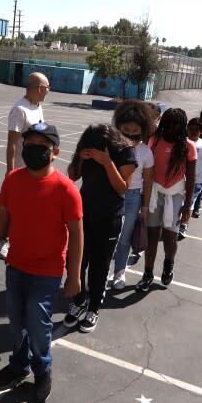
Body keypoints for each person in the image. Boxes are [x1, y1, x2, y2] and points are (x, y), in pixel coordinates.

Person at [0, 123, 83, 402]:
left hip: (47, 272)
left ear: (55, 152)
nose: (33, 150)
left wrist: (74, 276)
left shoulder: (66, 189)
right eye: (29, 145)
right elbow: (0, 219)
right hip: (16, 267)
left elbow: (76, 234)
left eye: (41, 146)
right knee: (16, 322)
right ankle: (19, 365)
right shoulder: (13, 180)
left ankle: (42, 372)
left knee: (38, 324)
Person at [64, 124, 137, 332]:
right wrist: (80, 157)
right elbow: (73, 176)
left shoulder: (125, 151)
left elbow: (122, 187)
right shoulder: (86, 148)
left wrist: (107, 163)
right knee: (76, 262)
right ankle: (78, 303)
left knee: (100, 266)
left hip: (109, 218)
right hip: (83, 215)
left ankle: (93, 308)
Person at [136, 108, 196, 292]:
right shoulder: (154, 142)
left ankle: (168, 265)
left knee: (170, 237)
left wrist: (187, 206)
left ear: (182, 125)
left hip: (175, 195)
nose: (171, 127)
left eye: (176, 124)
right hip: (154, 193)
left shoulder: (188, 146)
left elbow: (191, 177)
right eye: (168, 123)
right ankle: (147, 273)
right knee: (152, 236)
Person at [0, 72, 51, 260]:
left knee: (27, 208)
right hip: (20, 168)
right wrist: (10, 171)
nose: (48, 92)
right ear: (39, 88)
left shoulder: (37, 107)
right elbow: (11, 143)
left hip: (36, 168)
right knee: (10, 208)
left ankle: (15, 239)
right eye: (47, 89)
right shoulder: (20, 110)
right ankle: (1, 241)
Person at [109, 100, 155, 290]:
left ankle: (119, 273)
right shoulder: (112, 146)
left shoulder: (145, 152)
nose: (129, 133)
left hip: (133, 197)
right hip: (111, 195)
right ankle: (101, 274)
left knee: (124, 238)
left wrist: (144, 208)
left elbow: (148, 181)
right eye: (125, 129)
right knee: (107, 237)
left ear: (142, 130)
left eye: (134, 130)